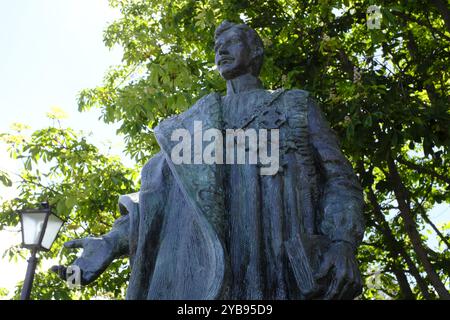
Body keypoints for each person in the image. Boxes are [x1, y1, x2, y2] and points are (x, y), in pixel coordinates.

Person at [52, 20, 365, 300]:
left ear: (255, 52)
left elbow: (340, 181)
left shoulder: (295, 106)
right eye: (217, 47)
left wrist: (342, 242)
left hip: (283, 271)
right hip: (208, 280)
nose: (221, 50)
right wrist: (108, 242)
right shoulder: (193, 123)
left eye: (231, 42)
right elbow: (154, 199)